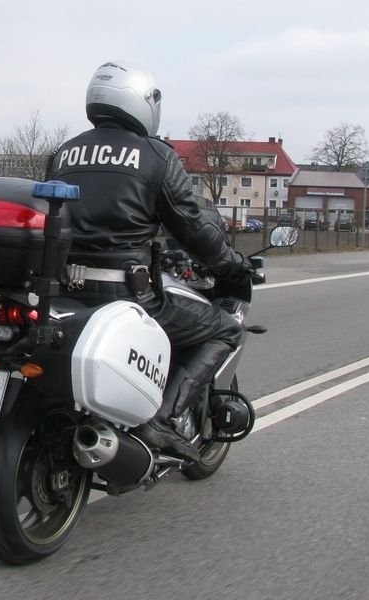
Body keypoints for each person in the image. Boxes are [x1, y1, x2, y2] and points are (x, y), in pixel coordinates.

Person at [46, 60, 254, 454]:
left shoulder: (64, 153)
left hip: (63, 292)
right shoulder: (155, 156)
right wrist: (232, 264)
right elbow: (192, 228)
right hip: (127, 296)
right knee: (225, 329)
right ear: (144, 102)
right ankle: (166, 419)